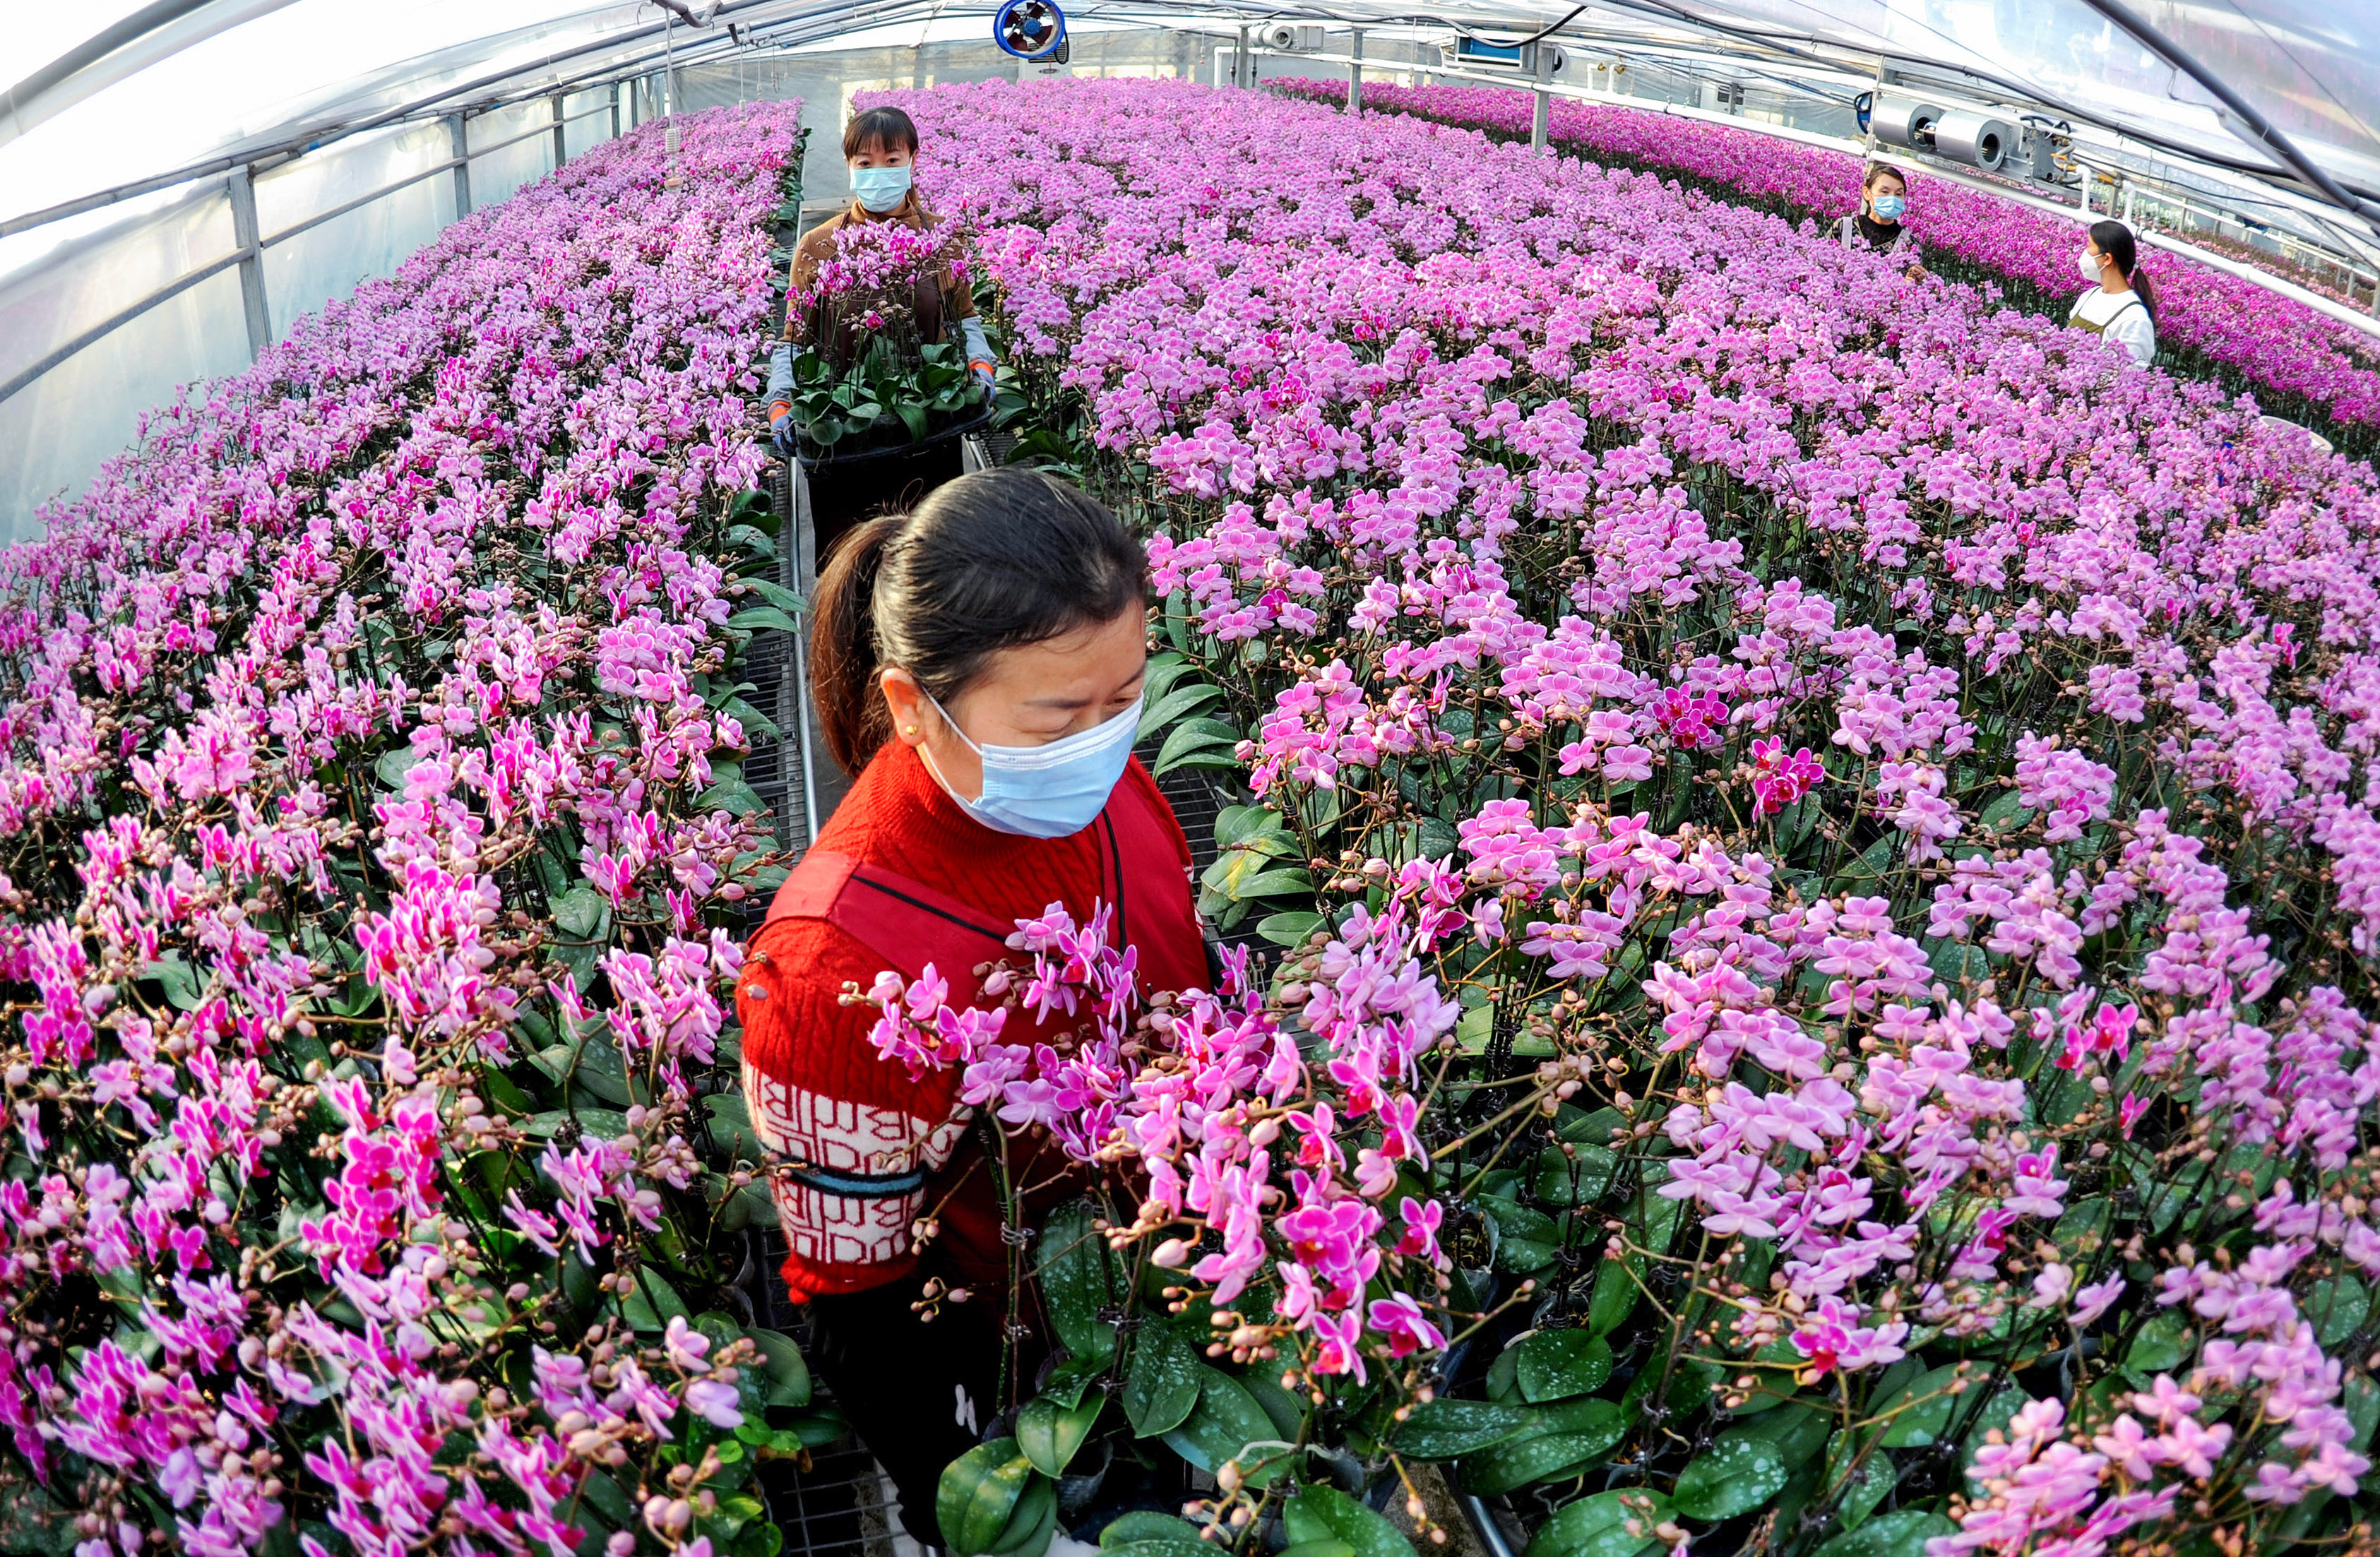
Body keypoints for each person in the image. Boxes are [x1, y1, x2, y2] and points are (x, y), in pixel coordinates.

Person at [734, 467, 1209, 1549]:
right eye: (1057, 718)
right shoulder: (827, 969)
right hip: (1044, 1365)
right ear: (912, 703)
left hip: (1197, 1264)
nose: (1102, 740)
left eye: (1125, 694)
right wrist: (971, 1514)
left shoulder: (1111, 780)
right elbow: (855, 1309)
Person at [764, 105, 999, 456]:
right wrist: (781, 402)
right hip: (843, 429)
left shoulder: (942, 237)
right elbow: (794, 340)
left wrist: (979, 365)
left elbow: (964, 320)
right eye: (865, 163)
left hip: (931, 419)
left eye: (891, 160)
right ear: (849, 166)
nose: (878, 171)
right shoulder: (818, 245)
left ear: (912, 160)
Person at [2069, 218, 2158, 369]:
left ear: (2107, 259)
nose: (2083, 252)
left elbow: (2133, 372)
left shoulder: (2134, 318)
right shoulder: (2089, 296)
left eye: (2089, 246)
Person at [1835, 162, 1926, 281]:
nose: (1892, 198)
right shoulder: (1844, 228)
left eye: (1898, 194)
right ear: (1867, 193)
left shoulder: (1909, 244)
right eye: (1885, 192)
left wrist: (1914, 282)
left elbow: (1908, 292)